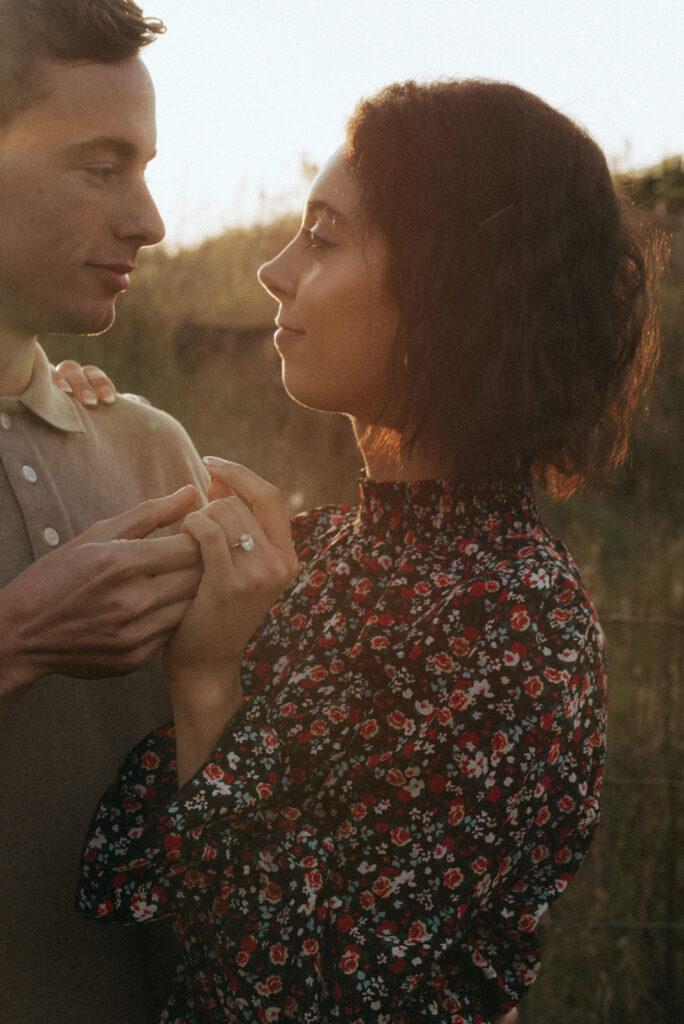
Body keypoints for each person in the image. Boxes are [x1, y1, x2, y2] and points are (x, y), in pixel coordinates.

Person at [76, 80, 660, 1023]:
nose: (273, 268)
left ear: (449, 284)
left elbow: (293, 997)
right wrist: (71, 424)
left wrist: (210, 679)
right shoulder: (317, 552)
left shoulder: (514, 623)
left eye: (324, 235)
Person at [0, 1, 210, 1021]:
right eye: (102, 166)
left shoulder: (152, 452)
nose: (150, 221)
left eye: (147, 168)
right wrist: (17, 635)